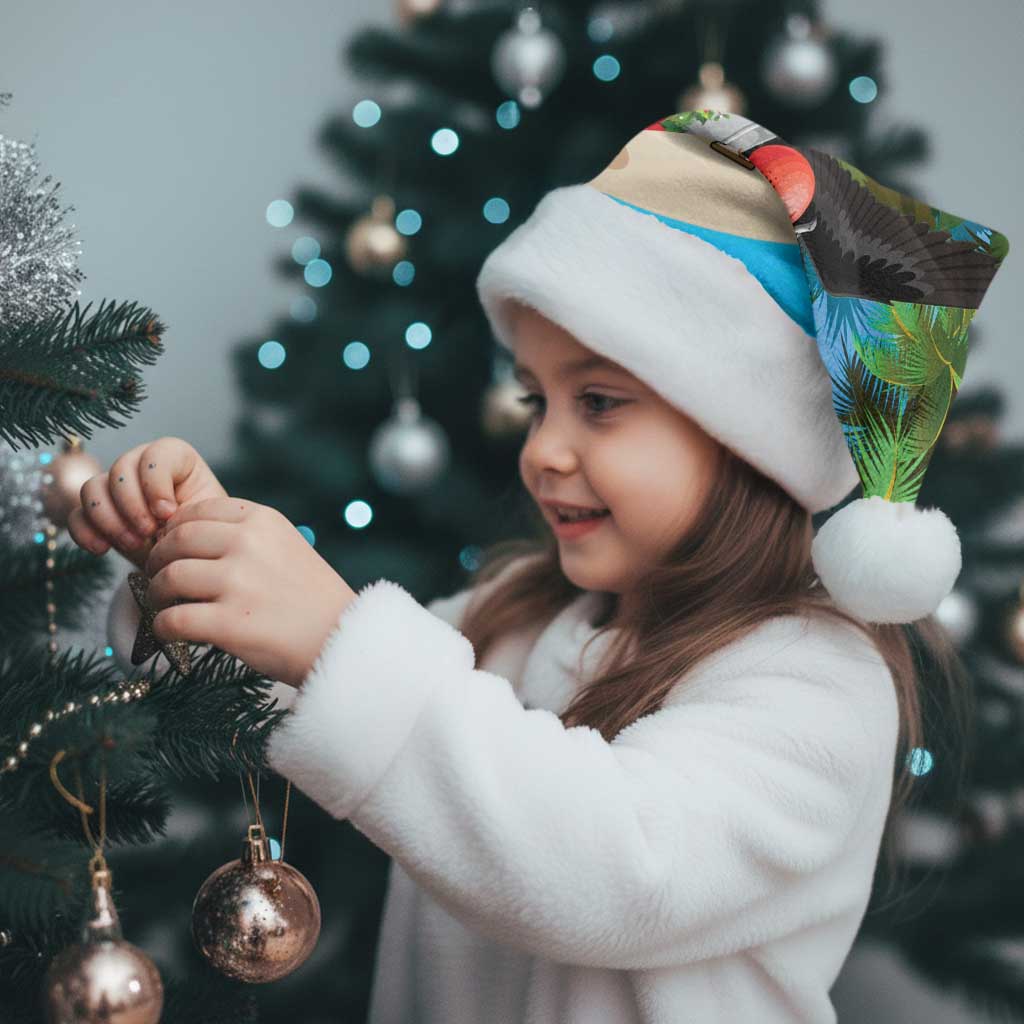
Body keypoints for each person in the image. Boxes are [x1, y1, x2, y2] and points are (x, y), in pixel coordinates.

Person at [71, 108, 1009, 1023]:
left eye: (598, 402)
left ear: (749, 439)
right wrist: (189, 566)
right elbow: (305, 692)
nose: (543, 450)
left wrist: (335, 638)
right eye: (535, 402)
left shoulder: (818, 683)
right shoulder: (514, 617)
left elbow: (615, 870)